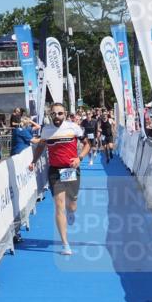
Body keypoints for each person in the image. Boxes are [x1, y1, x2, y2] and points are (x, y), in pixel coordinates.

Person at [31, 103, 90, 256]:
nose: (57, 116)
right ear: (50, 115)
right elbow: (41, 146)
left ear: (65, 114)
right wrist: (33, 161)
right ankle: (65, 244)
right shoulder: (46, 130)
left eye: (60, 113)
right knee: (59, 205)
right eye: (54, 114)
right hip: (55, 171)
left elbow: (87, 145)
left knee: (72, 205)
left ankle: (71, 212)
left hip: (71, 169)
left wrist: (80, 158)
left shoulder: (73, 127)